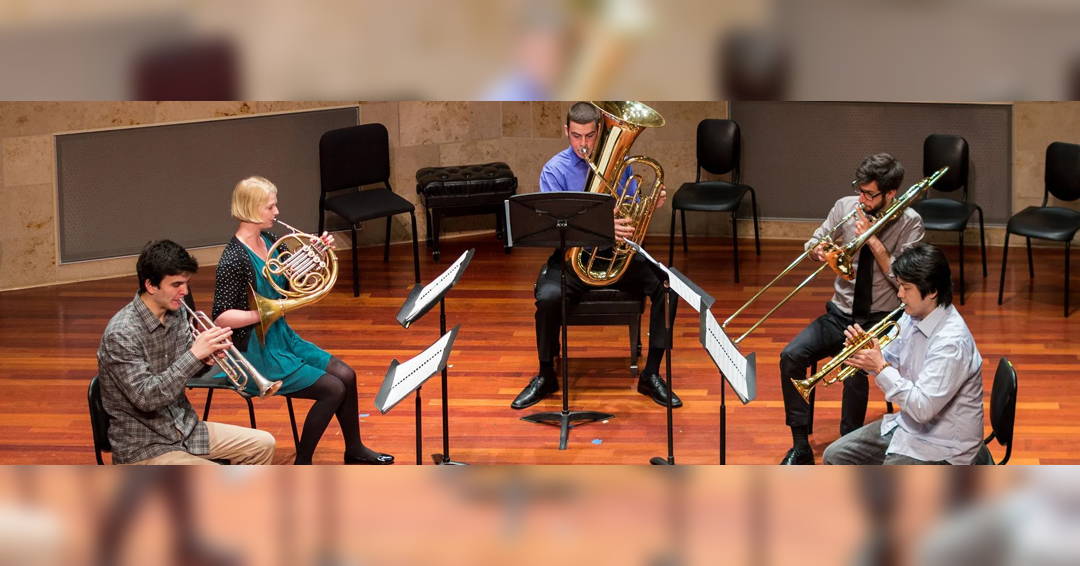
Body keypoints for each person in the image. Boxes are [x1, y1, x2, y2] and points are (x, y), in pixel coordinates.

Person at [212, 176, 393, 465]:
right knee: (333, 389)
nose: (277, 212)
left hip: (282, 336)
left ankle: (354, 449)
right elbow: (221, 316)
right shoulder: (233, 258)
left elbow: (292, 279)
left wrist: (316, 254)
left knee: (347, 375)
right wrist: (264, 313)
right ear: (251, 209)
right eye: (270, 207)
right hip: (256, 351)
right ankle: (303, 462)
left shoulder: (269, 241)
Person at [511, 101, 678, 410]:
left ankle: (652, 374)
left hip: (614, 255)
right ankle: (546, 375)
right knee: (547, 298)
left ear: (599, 131)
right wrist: (600, 227)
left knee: (666, 287)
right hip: (571, 258)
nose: (584, 144)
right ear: (566, 131)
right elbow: (553, 228)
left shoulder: (622, 165)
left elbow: (629, 211)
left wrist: (648, 204)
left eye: (589, 136)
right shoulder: (555, 170)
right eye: (576, 136)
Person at [780, 153, 925, 465]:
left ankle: (847, 449)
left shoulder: (911, 222)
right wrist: (818, 251)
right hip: (840, 314)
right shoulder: (845, 207)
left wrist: (873, 240)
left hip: (880, 319)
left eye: (870, 194)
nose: (862, 199)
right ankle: (800, 445)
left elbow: (905, 280)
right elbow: (813, 242)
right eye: (860, 190)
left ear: (890, 193)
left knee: (854, 372)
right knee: (791, 356)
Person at [96, 239, 276, 465]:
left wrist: (207, 358)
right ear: (151, 285)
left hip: (185, 429)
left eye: (186, 283)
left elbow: (184, 370)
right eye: (176, 284)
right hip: (145, 446)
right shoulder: (121, 334)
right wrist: (194, 355)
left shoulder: (177, 313)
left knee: (263, 444)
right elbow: (146, 398)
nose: (185, 291)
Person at [823, 243, 984, 465]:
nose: (899, 294)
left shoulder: (951, 343)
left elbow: (922, 409)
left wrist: (880, 367)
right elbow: (890, 357)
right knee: (834, 456)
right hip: (909, 427)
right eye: (899, 286)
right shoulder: (912, 315)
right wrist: (867, 353)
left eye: (906, 288)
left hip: (944, 447)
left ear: (932, 291)